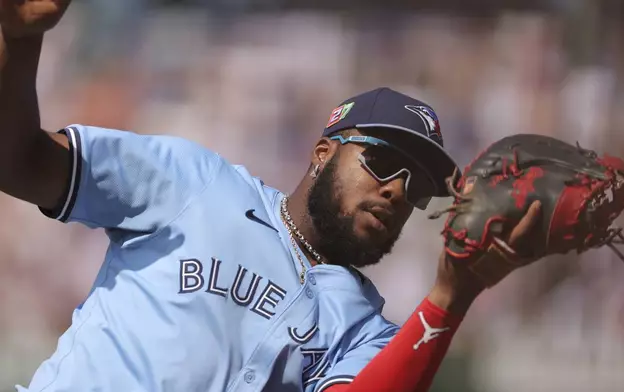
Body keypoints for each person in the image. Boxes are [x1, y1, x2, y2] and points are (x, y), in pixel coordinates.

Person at [0, 2, 542, 391]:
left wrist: (451, 296)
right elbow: (18, 161)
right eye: (381, 162)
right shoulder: (194, 183)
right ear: (324, 152)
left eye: (418, 186)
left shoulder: (364, 331)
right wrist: (19, 39)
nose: (397, 190)